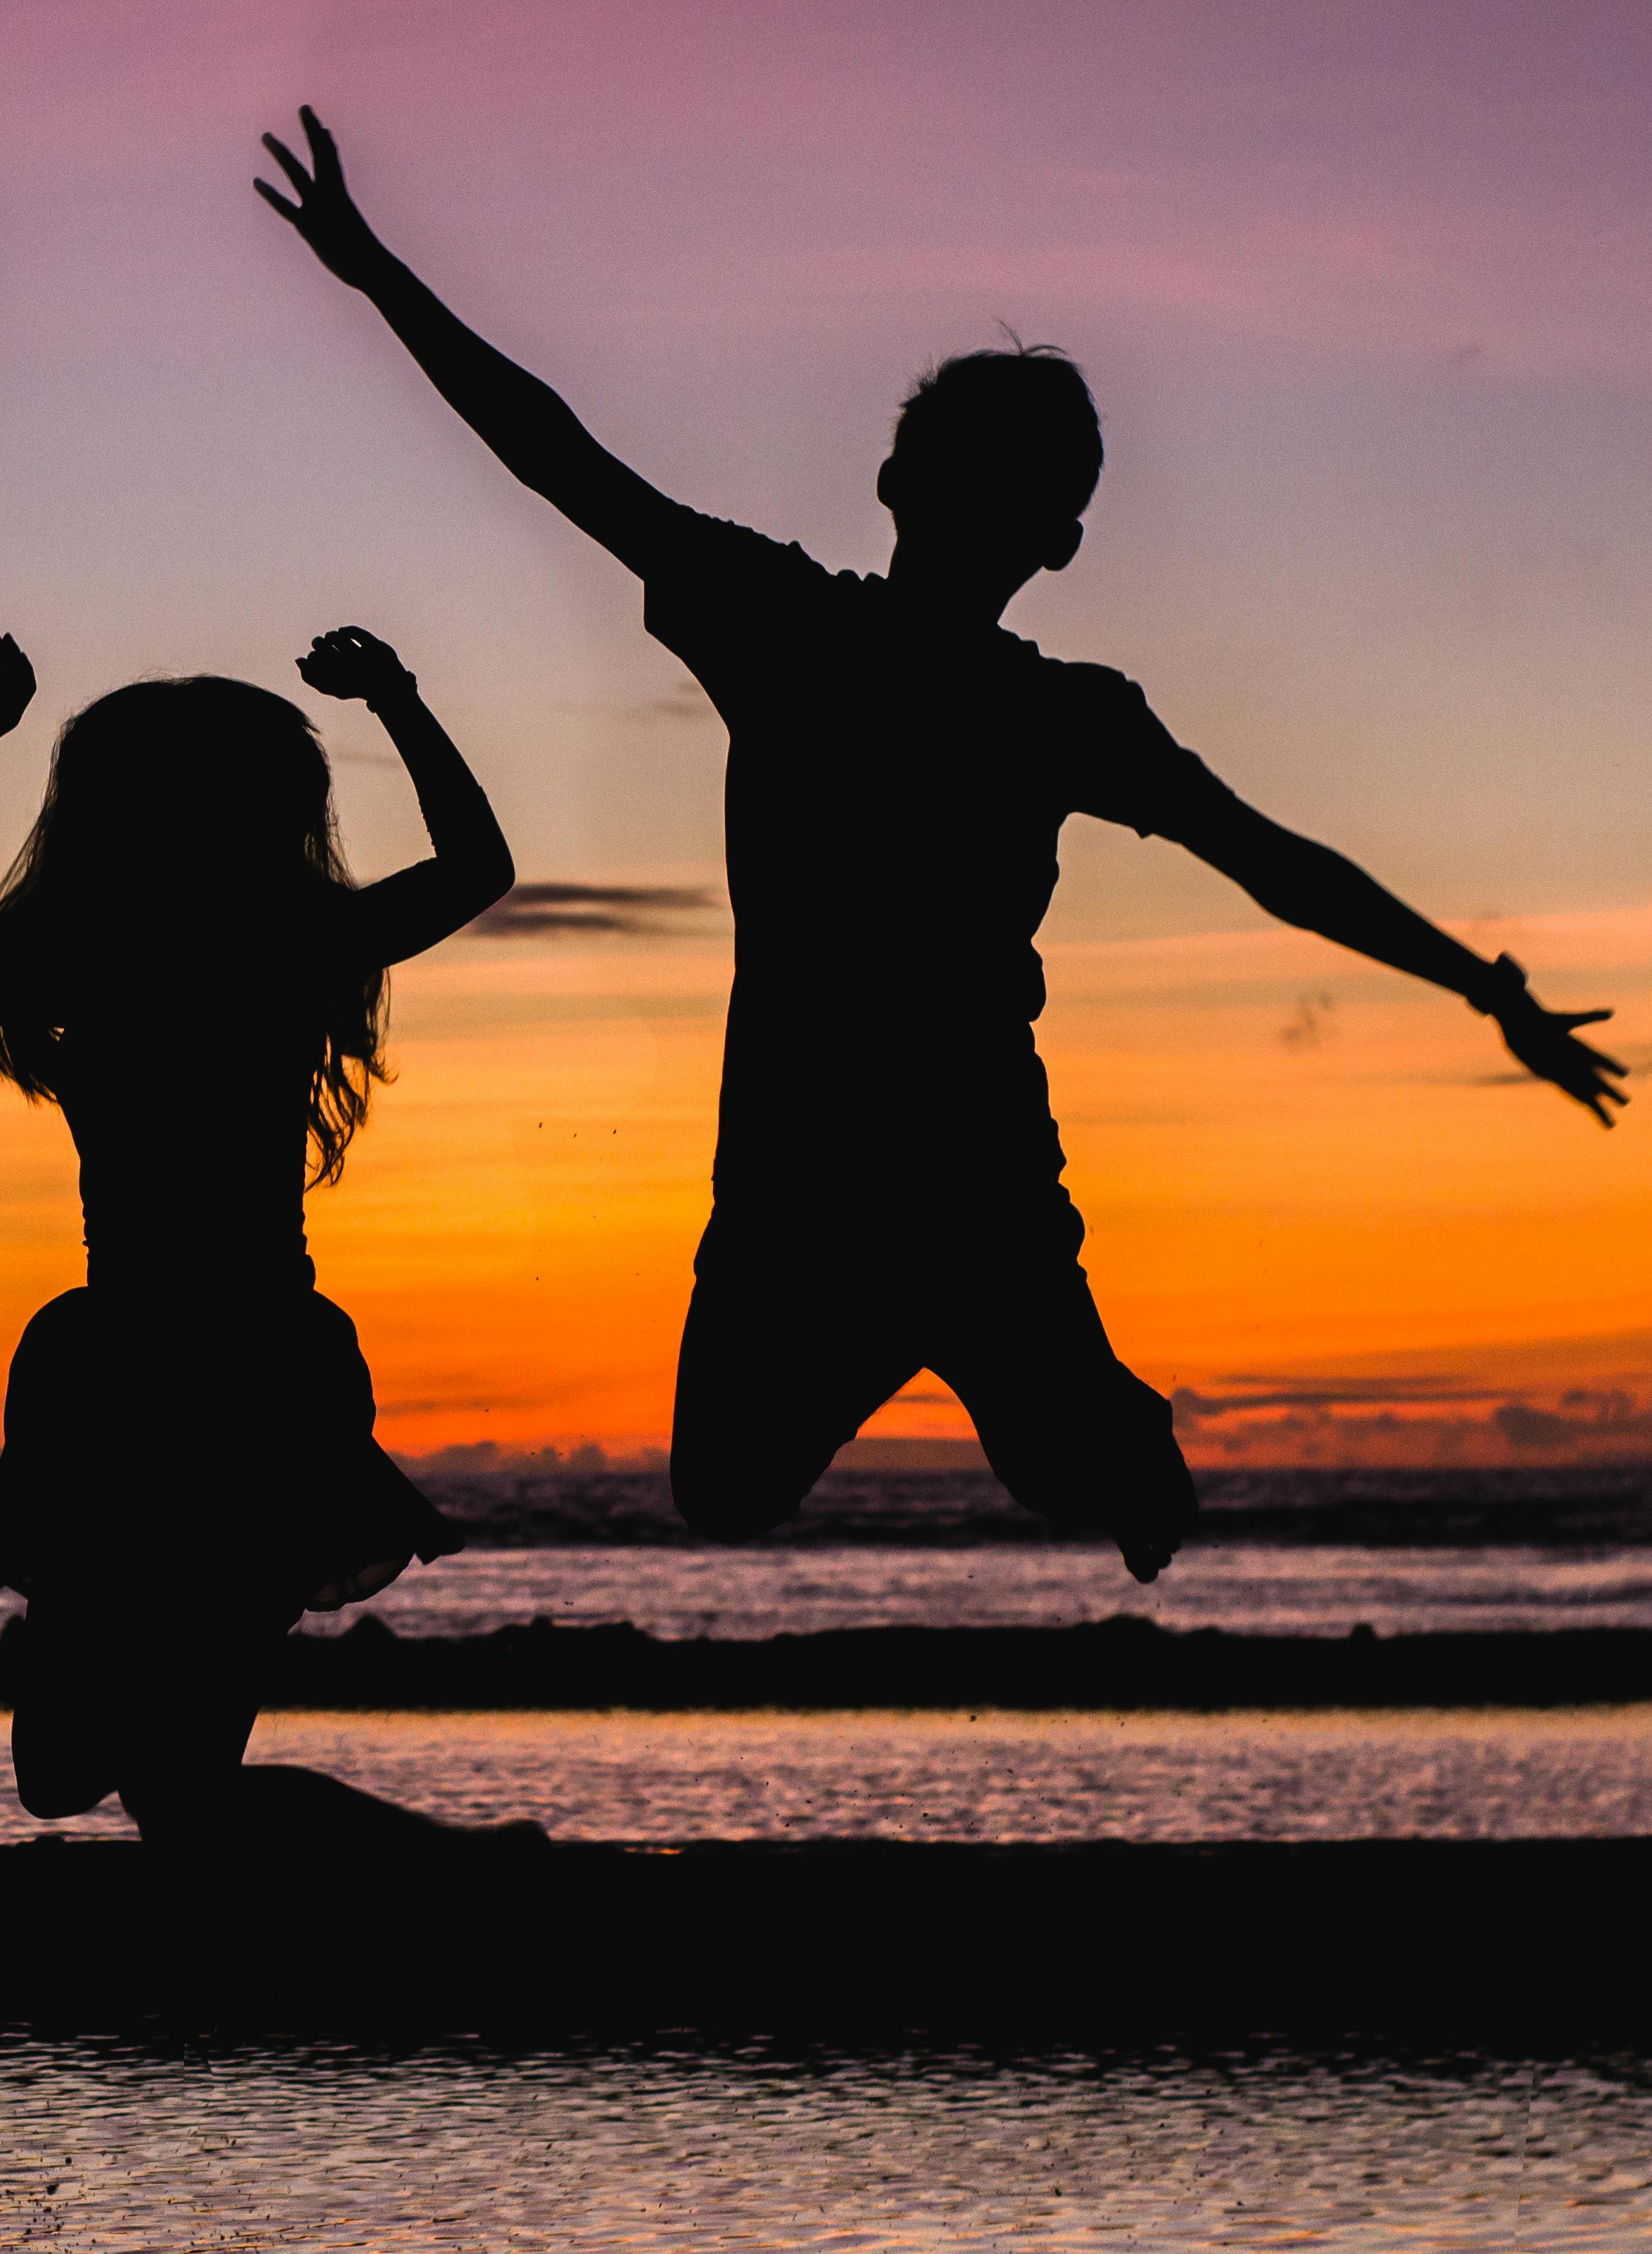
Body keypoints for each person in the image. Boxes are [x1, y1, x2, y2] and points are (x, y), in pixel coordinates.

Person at [254, 109, 1627, 1582]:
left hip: (975, 1181)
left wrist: (1478, 982)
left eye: (1010, 489)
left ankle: (1094, 1415)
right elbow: (557, 459)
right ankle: (1043, 1393)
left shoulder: (1044, 709)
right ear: (904, 488)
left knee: (1049, 1469)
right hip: (795, 1188)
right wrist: (377, 276)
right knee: (720, 1489)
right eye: (961, 468)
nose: (971, 502)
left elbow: (1271, 863)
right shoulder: (786, 626)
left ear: (1041, 541)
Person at [0, 627, 515, 1842]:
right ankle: (451, 1874)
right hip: (221, 1369)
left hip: (185, 1374)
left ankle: (459, 1873)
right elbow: (476, 865)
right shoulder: (262, 951)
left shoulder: (115, 966)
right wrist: (399, 700)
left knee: (156, 1789)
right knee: (104, 1781)